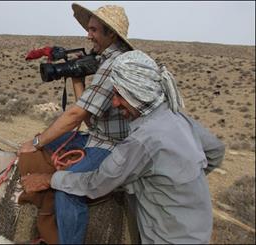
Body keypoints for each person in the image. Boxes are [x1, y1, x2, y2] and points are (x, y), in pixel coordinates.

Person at [21, 50, 226, 244]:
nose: (115, 103)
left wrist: (49, 179)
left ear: (137, 95)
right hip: (198, 230)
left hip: (166, 238)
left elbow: (96, 183)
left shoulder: (143, 140)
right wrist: (176, 180)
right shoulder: (175, 116)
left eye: (119, 95)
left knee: (68, 194)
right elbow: (215, 151)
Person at [18, 3, 135, 244]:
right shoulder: (107, 60)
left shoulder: (114, 65)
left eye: (93, 30)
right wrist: (77, 78)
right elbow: (90, 116)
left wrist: (36, 142)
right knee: (46, 145)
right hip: (98, 136)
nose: (88, 34)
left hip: (112, 146)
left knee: (67, 189)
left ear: (110, 34)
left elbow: (76, 115)